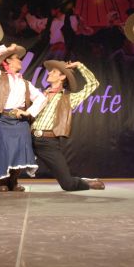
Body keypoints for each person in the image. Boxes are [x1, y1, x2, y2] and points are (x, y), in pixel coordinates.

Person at [30, 60, 105, 191]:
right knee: (9, 154)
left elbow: (94, 84)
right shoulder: (40, 95)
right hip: (28, 138)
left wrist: (79, 66)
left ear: (62, 77)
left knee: (67, 185)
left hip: (48, 142)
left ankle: (86, 182)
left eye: (54, 71)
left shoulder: (68, 98)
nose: (49, 72)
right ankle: (7, 183)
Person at [0, 44, 47, 191]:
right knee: (3, 150)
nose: (21, 62)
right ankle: (3, 182)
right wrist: (8, 49)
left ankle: (14, 181)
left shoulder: (26, 83)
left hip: (19, 121)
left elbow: (42, 99)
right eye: (17, 59)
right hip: (1, 120)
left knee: (19, 150)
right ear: (7, 62)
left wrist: (28, 112)